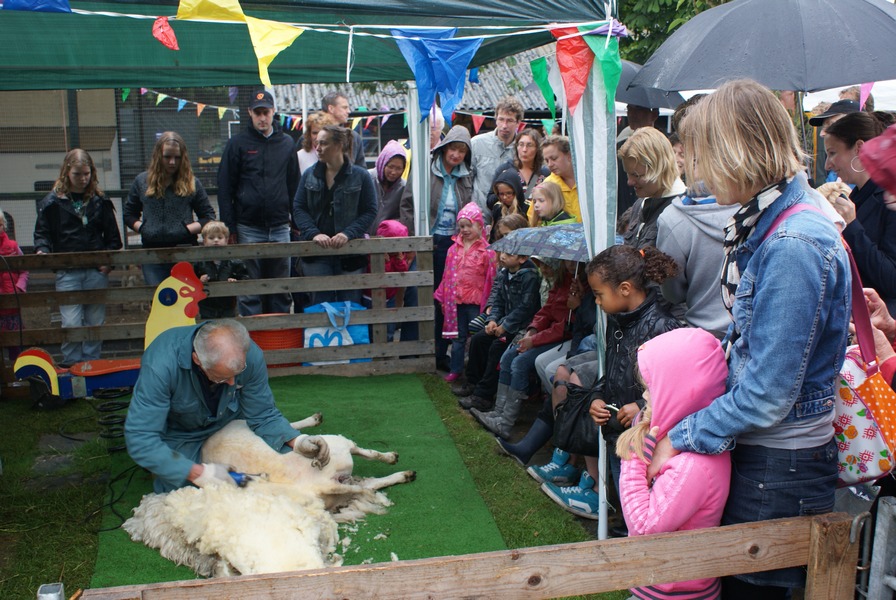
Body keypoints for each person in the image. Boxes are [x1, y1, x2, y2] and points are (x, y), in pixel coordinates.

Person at [657, 79, 851, 598]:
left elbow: (767, 392)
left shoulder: (792, 241)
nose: (692, 170)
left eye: (700, 155)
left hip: (779, 466)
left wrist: (683, 434)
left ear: (735, 151)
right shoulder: (770, 219)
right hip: (770, 456)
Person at [538, 245, 680, 520]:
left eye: (599, 295)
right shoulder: (616, 321)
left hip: (646, 443)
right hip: (616, 435)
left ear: (625, 288)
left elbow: (675, 391)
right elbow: (612, 371)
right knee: (628, 504)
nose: (598, 303)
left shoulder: (664, 328)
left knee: (646, 512)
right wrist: (596, 398)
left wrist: (640, 407)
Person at [124, 319, 330, 493]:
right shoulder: (161, 365)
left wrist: (298, 440)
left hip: (229, 422)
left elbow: (263, 413)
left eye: (237, 374)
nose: (232, 383)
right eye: (222, 378)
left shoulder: (250, 355)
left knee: (276, 475)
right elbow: (141, 437)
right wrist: (198, 473)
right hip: (181, 433)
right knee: (188, 495)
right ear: (198, 360)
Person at [616, 327, 730, 600]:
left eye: (651, 389)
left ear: (680, 392)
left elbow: (643, 529)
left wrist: (633, 460)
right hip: (661, 585)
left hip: (673, 592)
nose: (644, 397)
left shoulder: (691, 466)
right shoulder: (678, 446)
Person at [34, 149, 123, 367]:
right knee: (71, 322)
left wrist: (107, 262)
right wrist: (43, 250)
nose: (83, 179)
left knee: (94, 321)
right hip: (67, 270)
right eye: (78, 174)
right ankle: (71, 366)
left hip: (95, 270)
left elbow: (113, 236)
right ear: (67, 172)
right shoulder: (52, 202)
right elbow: (42, 232)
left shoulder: (99, 201)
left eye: (87, 173)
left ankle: (91, 365)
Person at [471, 259, 575, 439]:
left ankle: (505, 422)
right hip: (543, 333)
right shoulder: (563, 279)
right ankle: (498, 413)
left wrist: (534, 340)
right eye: (567, 263)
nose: (570, 266)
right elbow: (547, 310)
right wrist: (532, 331)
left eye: (573, 263)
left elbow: (565, 326)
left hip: (562, 338)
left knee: (519, 362)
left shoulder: (579, 286)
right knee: (507, 357)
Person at [217, 90, 298, 316]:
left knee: (281, 287)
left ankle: (281, 338)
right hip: (248, 228)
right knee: (249, 289)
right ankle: (253, 341)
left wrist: (297, 220)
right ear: (250, 113)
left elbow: (294, 185)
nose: (262, 118)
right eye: (258, 113)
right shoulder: (237, 144)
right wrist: (230, 226)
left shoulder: (287, 144)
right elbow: (225, 187)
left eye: (266, 112)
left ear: (273, 112)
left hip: (281, 226)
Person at [404, 124, 475, 371]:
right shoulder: (425, 168)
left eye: (462, 151)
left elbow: (468, 209)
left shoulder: (467, 175)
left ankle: (437, 353)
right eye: (453, 149)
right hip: (426, 239)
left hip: (453, 244)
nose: (456, 155)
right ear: (444, 148)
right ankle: (410, 350)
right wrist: (413, 239)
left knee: (445, 300)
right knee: (417, 294)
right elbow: (407, 204)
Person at [819, 113, 896, 313]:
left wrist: (852, 226)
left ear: (859, 148)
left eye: (833, 153)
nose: (828, 164)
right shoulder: (860, 196)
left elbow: (891, 279)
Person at [293, 124, 377, 306]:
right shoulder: (309, 175)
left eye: (323, 143)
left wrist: (348, 233)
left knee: (351, 306)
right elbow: (298, 208)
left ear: (338, 145)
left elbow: (370, 210)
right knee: (320, 306)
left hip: (350, 254)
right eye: (317, 143)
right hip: (317, 255)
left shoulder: (361, 176)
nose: (318, 148)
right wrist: (314, 233)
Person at [124, 131, 216, 287]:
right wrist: (143, 228)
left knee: (184, 302)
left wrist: (187, 230)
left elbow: (208, 216)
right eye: (167, 157)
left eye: (177, 157)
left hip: (184, 251)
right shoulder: (142, 181)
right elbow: (128, 214)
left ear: (183, 158)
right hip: (152, 253)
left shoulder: (192, 183)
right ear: (159, 156)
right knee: (159, 301)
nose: (172, 162)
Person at [457, 251, 540, 411]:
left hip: (522, 327)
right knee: (478, 339)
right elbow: (499, 301)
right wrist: (492, 320)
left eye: (509, 254)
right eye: (502, 252)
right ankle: (473, 383)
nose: (502, 256)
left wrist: (505, 326)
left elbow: (526, 308)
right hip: (504, 323)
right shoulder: (504, 273)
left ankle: (483, 397)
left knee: (497, 348)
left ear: (522, 259)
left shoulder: (530, 277)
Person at [434, 204, 496, 383]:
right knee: (458, 338)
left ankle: (475, 371)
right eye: (461, 226)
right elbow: (447, 275)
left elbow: (491, 278)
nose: (465, 230)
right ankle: (456, 369)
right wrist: (442, 297)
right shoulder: (453, 249)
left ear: (479, 226)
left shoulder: (487, 251)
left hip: (477, 302)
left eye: (469, 225)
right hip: (456, 301)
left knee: (477, 336)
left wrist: (491, 303)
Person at [618, 127, 687, 250]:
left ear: (659, 169)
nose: (629, 182)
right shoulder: (639, 204)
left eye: (636, 175)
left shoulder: (682, 212)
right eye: (627, 174)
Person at [471, 97, 524, 209]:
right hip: (480, 215)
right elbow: (466, 180)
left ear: (518, 122)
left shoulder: (522, 148)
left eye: (509, 121)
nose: (504, 125)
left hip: (510, 217)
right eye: (501, 119)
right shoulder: (477, 143)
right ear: (495, 119)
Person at [193, 221, 249, 320]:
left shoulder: (234, 261)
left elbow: (244, 276)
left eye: (220, 237)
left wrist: (235, 280)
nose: (216, 240)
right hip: (205, 306)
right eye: (211, 238)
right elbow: (190, 280)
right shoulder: (199, 262)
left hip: (228, 306)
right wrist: (199, 280)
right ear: (204, 241)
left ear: (226, 240)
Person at [486, 128, 550, 212]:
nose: (524, 150)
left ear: (538, 149)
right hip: (511, 221)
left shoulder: (546, 173)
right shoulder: (505, 169)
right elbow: (489, 202)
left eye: (529, 145)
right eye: (521, 144)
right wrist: (504, 192)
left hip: (538, 222)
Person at [616, 104, 660, 217]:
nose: (631, 113)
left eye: (638, 109)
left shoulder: (662, 150)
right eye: (629, 109)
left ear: (654, 114)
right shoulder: (620, 148)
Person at [526, 136, 580, 223]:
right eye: (547, 161)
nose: (550, 164)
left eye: (554, 158)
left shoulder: (588, 180)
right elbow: (533, 218)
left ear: (569, 156)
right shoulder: (547, 185)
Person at [0, 209, 27, 362]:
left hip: (12, 307)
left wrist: (20, 287)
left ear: (3, 225)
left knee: (16, 347)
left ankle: (18, 379)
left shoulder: (13, 246)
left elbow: (24, 269)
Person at [369, 139, 412, 235]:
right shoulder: (367, 179)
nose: (393, 172)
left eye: (398, 168)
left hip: (387, 240)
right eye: (391, 167)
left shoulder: (403, 187)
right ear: (382, 163)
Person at [321, 91, 367, 167]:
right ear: (331, 108)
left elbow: (361, 172)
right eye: (344, 107)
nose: (349, 111)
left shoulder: (353, 137)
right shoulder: (313, 134)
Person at [297, 110, 338, 175]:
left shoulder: (338, 154)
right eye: (314, 133)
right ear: (309, 134)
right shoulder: (300, 156)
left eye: (321, 132)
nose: (318, 137)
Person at [489, 170, 526, 241]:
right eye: (501, 194)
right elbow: (493, 237)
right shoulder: (497, 207)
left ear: (516, 191)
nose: (505, 197)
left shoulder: (527, 208)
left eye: (509, 193)